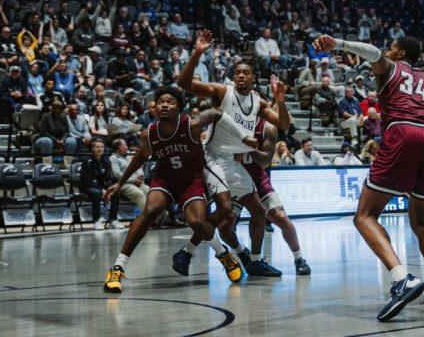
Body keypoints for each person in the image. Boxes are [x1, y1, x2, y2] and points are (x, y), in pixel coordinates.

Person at [313, 33, 424, 321]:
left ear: (399, 55)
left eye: (392, 48)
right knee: (421, 222)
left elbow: (373, 53)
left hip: (402, 133)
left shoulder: (391, 67)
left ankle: (401, 277)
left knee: (364, 215)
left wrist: (339, 44)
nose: (387, 51)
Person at [175, 30, 293, 276]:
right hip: (212, 158)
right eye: (237, 72)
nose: (240, 75)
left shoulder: (258, 103)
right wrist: (197, 52)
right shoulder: (222, 92)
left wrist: (280, 100)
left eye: (245, 72)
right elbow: (184, 84)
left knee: (260, 210)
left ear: (253, 78)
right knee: (226, 210)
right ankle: (187, 251)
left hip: (233, 163)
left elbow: (283, 124)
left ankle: (256, 260)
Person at [102, 88, 243, 293]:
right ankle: (117, 268)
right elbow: (140, 157)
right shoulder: (149, 133)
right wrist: (120, 182)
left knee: (197, 221)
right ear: (155, 108)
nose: (165, 105)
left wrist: (242, 138)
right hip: (165, 180)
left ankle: (223, 254)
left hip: (192, 181)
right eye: (161, 102)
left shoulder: (192, 125)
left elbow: (216, 113)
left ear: (179, 108)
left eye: (170, 102)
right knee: (150, 210)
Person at [230, 117, 311, 274]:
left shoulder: (266, 127)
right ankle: (242, 252)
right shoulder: (231, 120)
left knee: (281, 217)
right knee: (225, 227)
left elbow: (265, 162)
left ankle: (299, 258)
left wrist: (247, 148)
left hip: (258, 179)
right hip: (235, 179)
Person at [79, 140, 121, 230]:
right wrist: (102, 190)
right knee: (97, 193)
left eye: (101, 147)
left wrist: (109, 190)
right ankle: (96, 220)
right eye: (97, 147)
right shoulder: (87, 161)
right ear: (93, 149)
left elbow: (110, 178)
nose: (99, 149)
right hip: (87, 187)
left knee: (116, 192)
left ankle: (113, 219)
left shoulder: (106, 161)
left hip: (102, 187)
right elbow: (87, 180)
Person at [108, 139, 150, 209]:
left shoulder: (129, 155)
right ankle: (150, 215)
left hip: (137, 182)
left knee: (150, 191)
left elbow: (137, 165)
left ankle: (160, 214)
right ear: (120, 147)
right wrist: (133, 180)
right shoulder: (113, 158)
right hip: (123, 184)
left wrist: (140, 175)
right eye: (125, 145)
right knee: (138, 194)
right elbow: (116, 173)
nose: (127, 147)